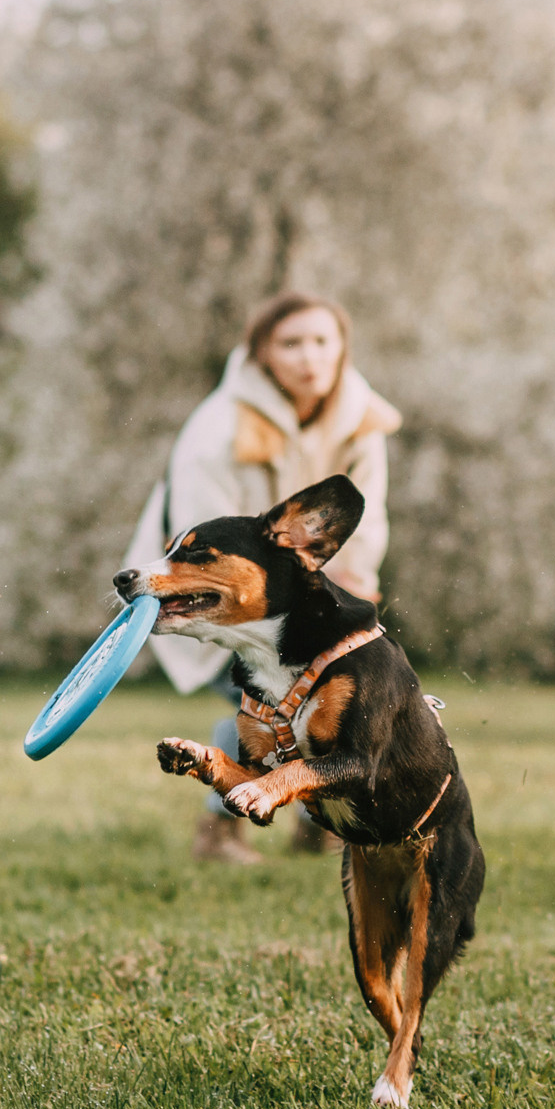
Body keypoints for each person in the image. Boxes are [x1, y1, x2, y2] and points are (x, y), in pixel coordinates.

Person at [124, 291, 400, 864]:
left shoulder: (363, 416)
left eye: (323, 341)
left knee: (328, 696)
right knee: (258, 700)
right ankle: (219, 830)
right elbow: (202, 537)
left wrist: (358, 583)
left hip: (308, 589)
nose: (309, 357)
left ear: (342, 348)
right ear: (263, 354)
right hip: (213, 590)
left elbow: (365, 512)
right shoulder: (219, 425)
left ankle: (318, 821)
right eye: (290, 343)